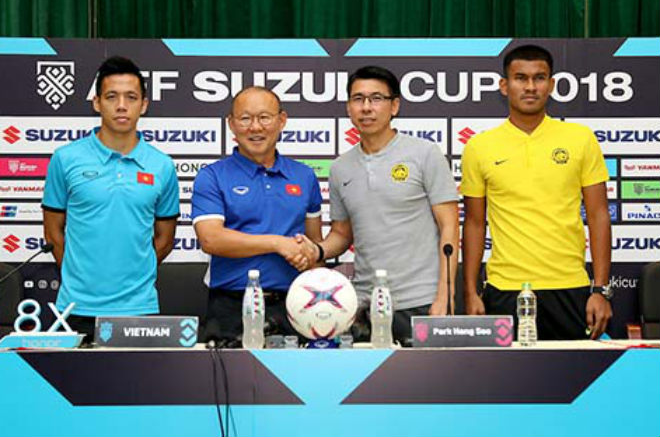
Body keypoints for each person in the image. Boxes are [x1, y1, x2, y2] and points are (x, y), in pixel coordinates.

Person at [461, 44, 613, 340]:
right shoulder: (479, 147)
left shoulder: (580, 139)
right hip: (505, 288)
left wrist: (600, 289)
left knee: (575, 370)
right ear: (504, 86)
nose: (530, 87)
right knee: (507, 372)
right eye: (520, 78)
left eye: (539, 78)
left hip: (570, 287)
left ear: (551, 85)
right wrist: (470, 291)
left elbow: (598, 215)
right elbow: (475, 224)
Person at [303, 66, 460, 346]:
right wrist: (317, 250)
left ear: (394, 106)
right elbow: (342, 234)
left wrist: (444, 295)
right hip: (363, 306)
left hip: (421, 302)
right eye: (358, 99)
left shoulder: (425, 153)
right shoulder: (340, 168)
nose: (366, 107)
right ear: (348, 107)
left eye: (376, 98)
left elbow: (449, 226)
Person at [42, 56, 180, 340]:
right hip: (75, 307)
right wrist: (81, 278)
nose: (121, 106)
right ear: (96, 102)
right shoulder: (65, 158)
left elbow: (165, 239)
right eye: (111, 97)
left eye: (131, 97)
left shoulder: (162, 165)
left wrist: (134, 274)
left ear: (144, 105)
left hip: (139, 308)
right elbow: (53, 233)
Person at [191, 86, 322, 344]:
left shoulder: (304, 176)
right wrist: (277, 243)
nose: (255, 127)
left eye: (264, 117)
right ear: (231, 124)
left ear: (281, 120)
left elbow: (315, 246)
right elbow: (211, 239)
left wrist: (307, 256)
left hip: (294, 306)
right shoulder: (212, 176)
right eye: (245, 118)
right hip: (231, 306)